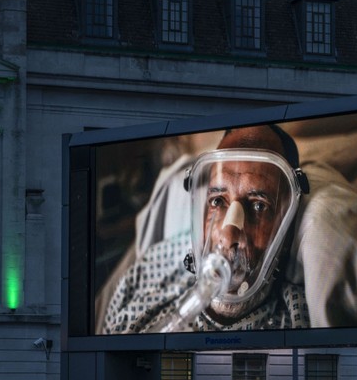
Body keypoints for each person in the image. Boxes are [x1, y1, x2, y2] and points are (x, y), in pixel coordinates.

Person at [102, 124, 311, 333]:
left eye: (259, 206)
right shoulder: (143, 279)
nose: (228, 237)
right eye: (218, 201)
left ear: (287, 228)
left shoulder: (301, 326)